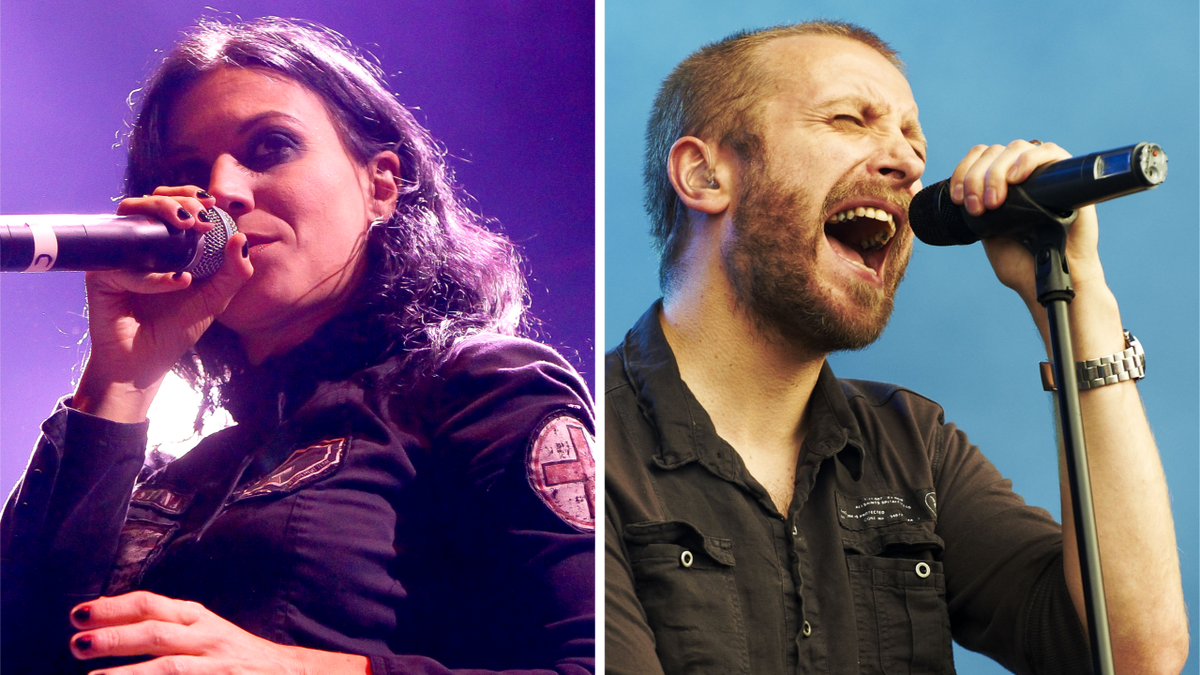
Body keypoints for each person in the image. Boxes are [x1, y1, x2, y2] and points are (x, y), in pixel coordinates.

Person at [1, 18, 595, 675]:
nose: (220, 190)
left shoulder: (482, 387)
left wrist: (304, 669)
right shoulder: (165, 465)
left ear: (381, 185)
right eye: (187, 170)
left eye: (269, 146)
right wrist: (122, 378)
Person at [604, 21, 1186, 675]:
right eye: (851, 119)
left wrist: (1081, 302)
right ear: (705, 174)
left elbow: (1136, 655)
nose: (909, 164)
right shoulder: (581, 445)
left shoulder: (914, 447)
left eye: (914, 141)